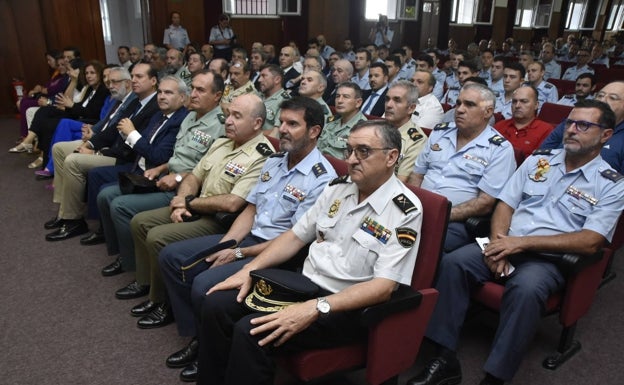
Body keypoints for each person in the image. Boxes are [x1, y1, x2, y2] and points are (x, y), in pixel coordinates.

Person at [408, 99, 624, 385]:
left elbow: (590, 240)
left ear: (605, 135)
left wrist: (520, 244)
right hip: (505, 241)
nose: (571, 130)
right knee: (454, 263)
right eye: (569, 122)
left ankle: (495, 376)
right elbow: (505, 205)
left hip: (547, 258)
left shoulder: (611, 184)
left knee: (526, 289)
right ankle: (443, 357)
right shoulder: (539, 161)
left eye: (583, 125)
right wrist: (500, 243)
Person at [196, 119, 423, 385]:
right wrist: (249, 269)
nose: (351, 160)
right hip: (303, 287)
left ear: (391, 156)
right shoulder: (338, 188)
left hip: (346, 307)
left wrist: (315, 308)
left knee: (252, 330)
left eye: (363, 151)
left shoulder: (404, 210)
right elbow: (295, 236)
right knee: (216, 305)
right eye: (348, 150)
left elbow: (383, 287)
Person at [158, 97, 338, 381]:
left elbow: (294, 239)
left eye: (293, 124)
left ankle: (211, 348)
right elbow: (251, 209)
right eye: (281, 122)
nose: (282, 130)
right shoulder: (275, 161)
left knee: (207, 284)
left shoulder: (321, 178)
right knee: (173, 256)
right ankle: (202, 337)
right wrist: (227, 244)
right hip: (248, 238)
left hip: (280, 255)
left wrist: (239, 254)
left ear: (314, 131)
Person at [114, 94, 275, 329]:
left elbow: (232, 203)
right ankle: (148, 284)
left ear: (257, 123)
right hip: (195, 205)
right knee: (140, 221)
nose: (228, 121)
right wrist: (181, 200)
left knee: (158, 237)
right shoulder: (222, 142)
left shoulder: (262, 155)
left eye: (237, 116)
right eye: (228, 114)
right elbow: (193, 176)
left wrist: (188, 204)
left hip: (221, 221)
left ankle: (163, 302)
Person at [95, 70, 226, 276]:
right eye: (193, 88)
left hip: (186, 190)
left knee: (120, 206)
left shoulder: (221, 126)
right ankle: (128, 257)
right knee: (107, 194)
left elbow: (207, 169)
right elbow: (178, 155)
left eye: (200, 90)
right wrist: (161, 167)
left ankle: (134, 266)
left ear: (217, 95)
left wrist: (178, 176)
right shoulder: (190, 116)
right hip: (165, 177)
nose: (193, 94)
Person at [45, 75, 188, 242]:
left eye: (168, 93)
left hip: (150, 172)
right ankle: (84, 222)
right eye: (161, 92)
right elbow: (115, 132)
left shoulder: (177, 119)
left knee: (96, 181)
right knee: (92, 173)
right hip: (134, 162)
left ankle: (85, 225)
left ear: (183, 97)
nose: (162, 96)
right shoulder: (155, 113)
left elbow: (157, 155)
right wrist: (95, 143)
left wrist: (128, 136)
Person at [408, 83, 516, 252]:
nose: (459, 109)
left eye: (469, 104)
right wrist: (411, 206)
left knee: (418, 243)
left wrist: (438, 214)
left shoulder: (500, 149)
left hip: (456, 221)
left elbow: (485, 203)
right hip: (417, 210)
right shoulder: (440, 132)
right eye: (458, 103)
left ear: (488, 112)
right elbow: (417, 175)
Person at [541, 81, 624, 172]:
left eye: (612, 98)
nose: (603, 100)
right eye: (600, 96)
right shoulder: (571, 123)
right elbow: (543, 154)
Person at [384, 80, 427, 183]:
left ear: (411, 108)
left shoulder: (416, 141)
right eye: (387, 99)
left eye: (397, 100)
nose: (389, 105)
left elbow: (400, 182)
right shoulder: (376, 128)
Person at [494, 85, 554, 158]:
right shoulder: (499, 126)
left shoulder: (546, 130)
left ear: (536, 105)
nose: (517, 105)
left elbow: (541, 163)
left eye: (524, 101)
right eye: (514, 101)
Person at [317, 82, 367, 158]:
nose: (339, 101)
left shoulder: (362, 129)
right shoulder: (332, 120)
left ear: (358, 103)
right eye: (337, 96)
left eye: (346, 97)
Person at [256, 64, 290, 132]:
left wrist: (251, 135)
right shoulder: (256, 95)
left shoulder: (285, 101)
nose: (259, 80)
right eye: (260, 76)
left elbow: (277, 133)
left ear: (277, 79)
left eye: (264, 76)